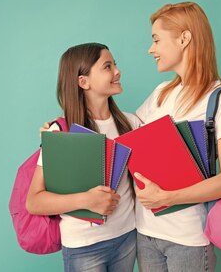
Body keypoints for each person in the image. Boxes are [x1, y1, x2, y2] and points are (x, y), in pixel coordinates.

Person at [40, 2, 221, 272]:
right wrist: (58, 133)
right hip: (145, 236)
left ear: (184, 39)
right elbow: (119, 138)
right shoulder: (161, 94)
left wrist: (167, 198)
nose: (151, 49)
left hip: (187, 237)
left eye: (157, 39)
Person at [26, 42, 142, 272]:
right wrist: (87, 200)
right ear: (83, 82)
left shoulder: (132, 123)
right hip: (84, 247)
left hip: (127, 237)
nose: (117, 71)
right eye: (107, 66)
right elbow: (34, 201)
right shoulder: (61, 132)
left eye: (115, 64)